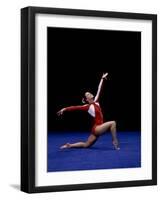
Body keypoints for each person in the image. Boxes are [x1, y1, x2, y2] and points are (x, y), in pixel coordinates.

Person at [57, 73, 120, 150]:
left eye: (89, 93)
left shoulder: (96, 101)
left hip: (96, 128)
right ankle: (114, 140)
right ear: (87, 99)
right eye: (88, 94)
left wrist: (102, 79)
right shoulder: (87, 107)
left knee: (86, 145)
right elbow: (75, 107)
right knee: (113, 123)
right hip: (97, 128)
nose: (90, 94)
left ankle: (69, 145)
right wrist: (64, 109)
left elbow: (99, 89)